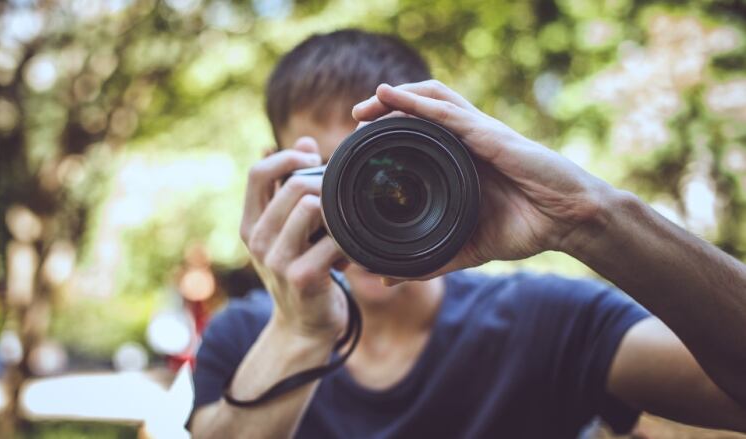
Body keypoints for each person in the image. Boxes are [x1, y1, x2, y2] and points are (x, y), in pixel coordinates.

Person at [188, 30, 746, 438]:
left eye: (383, 160)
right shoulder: (243, 339)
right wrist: (299, 334)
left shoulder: (545, 321)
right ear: (278, 172)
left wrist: (588, 217)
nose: (362, 194)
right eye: (334, 170)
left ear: (443, 155)